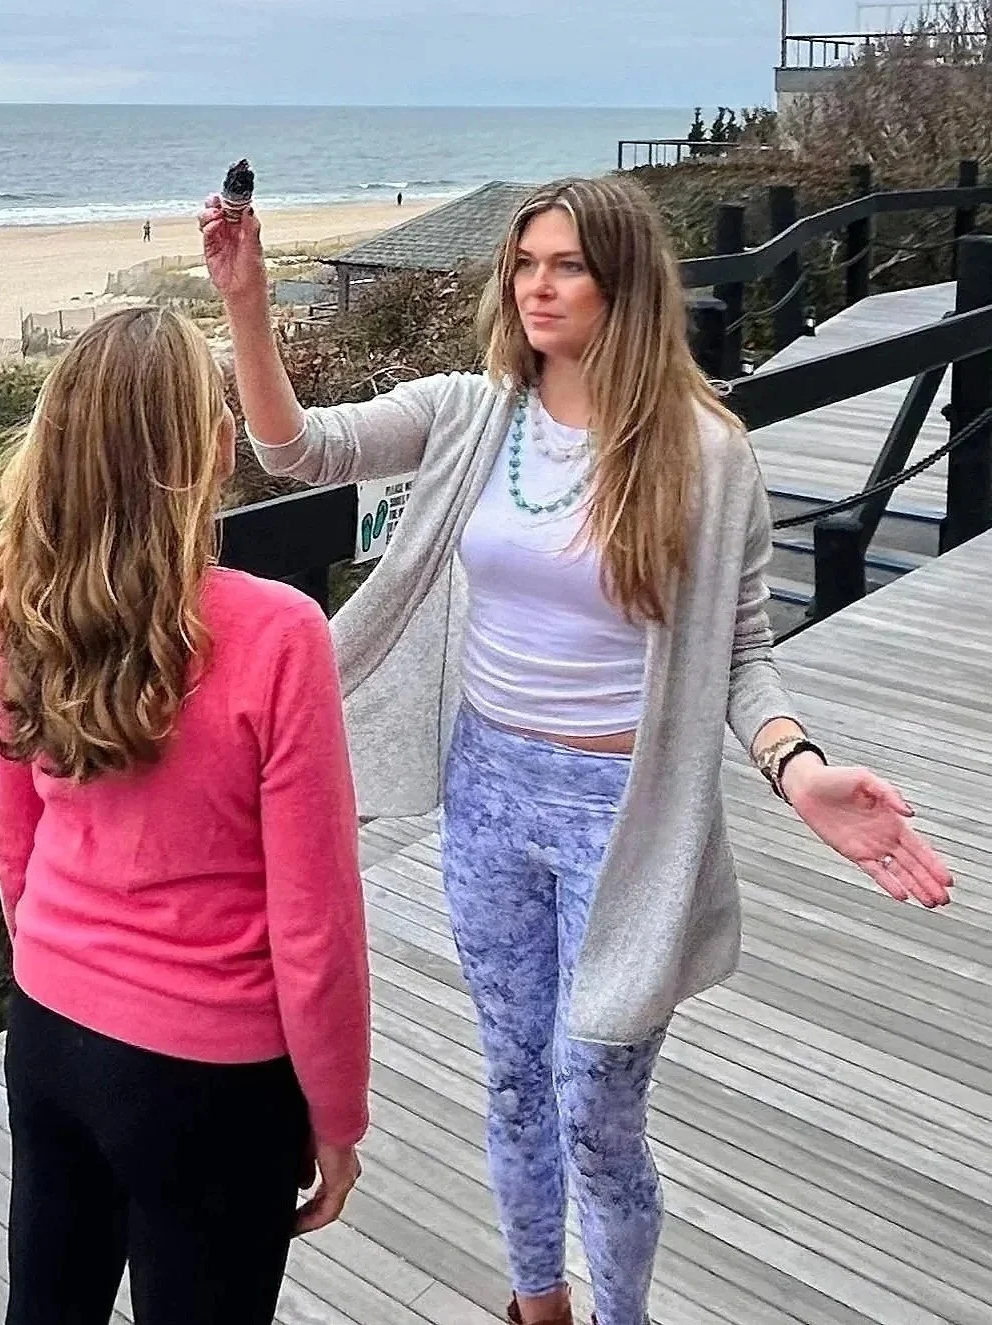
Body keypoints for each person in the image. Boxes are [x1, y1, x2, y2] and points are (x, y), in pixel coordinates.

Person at [200, 175, 954, 1325]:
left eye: (566, 265)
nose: (536, 286)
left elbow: (739, 648)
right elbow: (295, 448)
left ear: (623, 283)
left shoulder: (702, 453)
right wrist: (247, 304)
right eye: (524, 263)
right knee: (512, 1078)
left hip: (625, 815)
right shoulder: (470, 415)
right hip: (487, 794)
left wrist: (796, 766)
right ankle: (536, 1300)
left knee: (597, 1104)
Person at [0, 306, 369, 1325]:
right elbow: (314, 919)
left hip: (50, 1032)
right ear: (217, 450)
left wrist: (64, 963)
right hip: (212, 1074)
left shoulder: (27, 608)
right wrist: (336, 1112)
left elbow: (14, 842)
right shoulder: (279, 633)